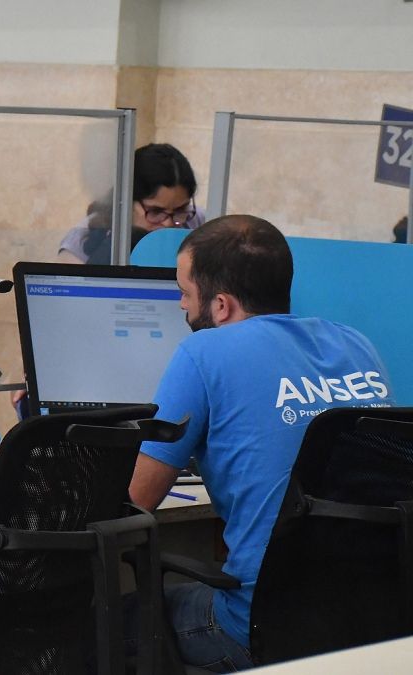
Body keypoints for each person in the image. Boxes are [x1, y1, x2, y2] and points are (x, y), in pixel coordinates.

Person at [127, 215, 393, 671]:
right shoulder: (356, 344)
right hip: (379, 621)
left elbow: (135, 500)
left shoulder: (203, 351)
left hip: (264, 625)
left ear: (222, 305)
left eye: (185, 293)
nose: (181, 306)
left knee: (108, 621)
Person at [58, 143, 206, 265]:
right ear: (127, 204)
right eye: (155, 211)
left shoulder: (198, 223)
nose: (169, 224)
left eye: (180, 210)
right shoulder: (82, 240)